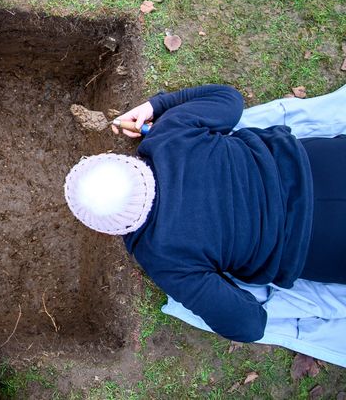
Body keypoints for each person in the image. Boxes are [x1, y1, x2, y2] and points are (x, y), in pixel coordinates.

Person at [64, 84, 346, 343]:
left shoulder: (163, 257)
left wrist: (225, 284)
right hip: (323, 162)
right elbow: (229, 99)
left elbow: (249, 325)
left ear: (110, 229)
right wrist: (156, 106)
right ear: (125, 162)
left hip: (318, 245)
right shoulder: (170, 135)